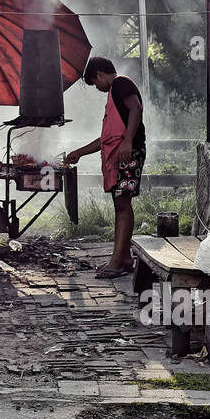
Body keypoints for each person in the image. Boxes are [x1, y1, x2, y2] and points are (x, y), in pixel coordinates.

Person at [64, 56, 146, 279]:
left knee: (122, 205)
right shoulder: (114, 93)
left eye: (95, 83)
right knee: (120, 204)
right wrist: (79, 152)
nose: (97, 88)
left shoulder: (120, 83)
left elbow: (136, 109)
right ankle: (125, 257)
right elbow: (107, 138)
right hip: (122, 153)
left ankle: (117, 261)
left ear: (100, 74)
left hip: (129, 152)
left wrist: (128, 142)